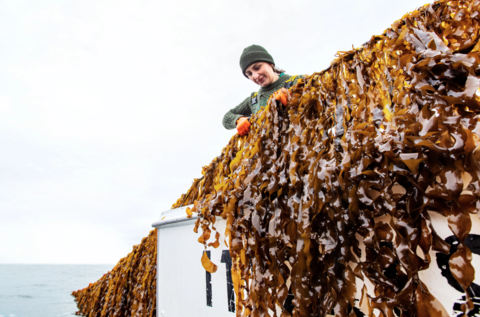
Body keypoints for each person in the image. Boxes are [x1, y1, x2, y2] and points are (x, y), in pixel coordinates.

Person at [222, 45, 302, 135]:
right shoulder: (253, 100)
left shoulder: (297, 81)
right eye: (249, 74)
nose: (255, 76)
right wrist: (238, 120)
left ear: (270, 63)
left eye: (257, 68)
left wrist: (293, 94)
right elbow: (226, 118)